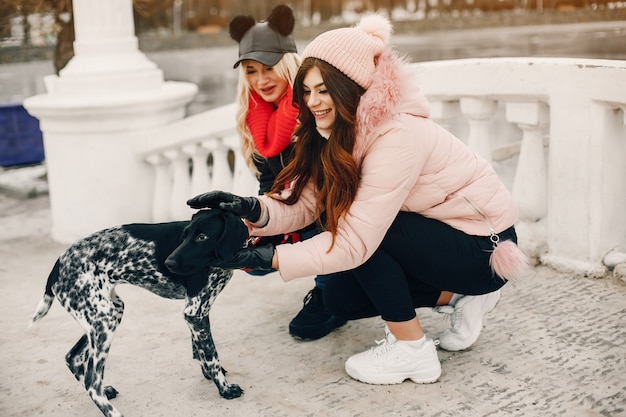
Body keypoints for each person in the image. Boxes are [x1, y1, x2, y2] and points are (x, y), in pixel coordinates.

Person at [188, 14, 529, 385]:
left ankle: (412, 352)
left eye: (324, 89)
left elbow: (355, 240)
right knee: (340, 299)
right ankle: (457, 297)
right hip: (436, 239)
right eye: (307, 91)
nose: (314, 102)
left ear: (351, 86)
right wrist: (252, 210)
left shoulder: (398, 133)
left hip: (483, 247)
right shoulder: (334, 130)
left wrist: (269, 256)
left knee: (357, 231)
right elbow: (307, 202)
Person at [227, 5, 346, 340]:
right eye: (251, 71)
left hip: (334, 211)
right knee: (246, 254)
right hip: (296, 207)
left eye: (269, 68)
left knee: (324, 214)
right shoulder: (255, 117)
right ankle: (330, 278)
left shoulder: (315, 106)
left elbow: (339, 178)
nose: (261, 80)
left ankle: (330, 289)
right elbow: (268, 181)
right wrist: (262, 220)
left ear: (288, 64)